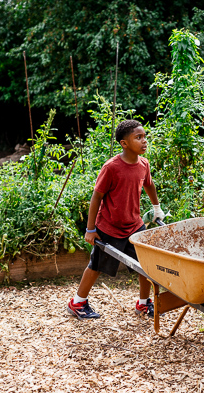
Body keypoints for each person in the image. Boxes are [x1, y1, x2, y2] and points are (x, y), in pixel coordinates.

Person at [67, 119, 165, 319]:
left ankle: (144, 304)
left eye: (145, 137)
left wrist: (157, 208)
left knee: (145, 265)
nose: (144, 141)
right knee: (96, 266)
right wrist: (90, 229)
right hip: (109, 228)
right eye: (138, 137)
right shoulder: (112, 167)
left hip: (134, 225)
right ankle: (77, 303)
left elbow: (149, 185)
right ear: (124, 143)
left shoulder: (143, 164)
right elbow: (96, 197)